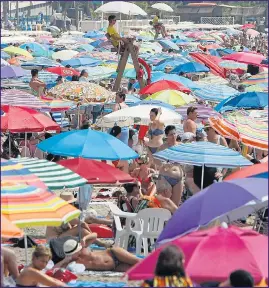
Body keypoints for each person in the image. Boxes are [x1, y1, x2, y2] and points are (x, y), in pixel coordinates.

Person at [56, 238, 140, 272]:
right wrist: (64, 260)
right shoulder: (71, 261)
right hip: (114, 267)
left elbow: (94, 235)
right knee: (139, 270)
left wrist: (85, 238)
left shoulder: (83, 248)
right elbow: (53, 270)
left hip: (114, 253)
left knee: (140, 262)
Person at [156, 126, 184, 206]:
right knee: (165, 204)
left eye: (175, 134)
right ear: (167, 136)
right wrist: (163, 164)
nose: (174, 136)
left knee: (175, 205)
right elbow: (156, 162)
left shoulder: (181, 147)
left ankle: (174, 219)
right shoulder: (163, 148)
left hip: (178, 178)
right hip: (164, 177)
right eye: (171, 134)